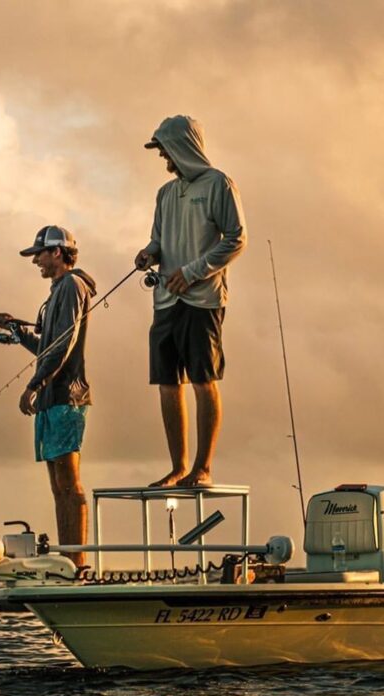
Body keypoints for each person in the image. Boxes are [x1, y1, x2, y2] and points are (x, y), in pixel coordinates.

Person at [134, 115, 247, 488]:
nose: (165, 160)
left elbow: (236, 238)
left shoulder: (219, 184)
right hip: (165, 300)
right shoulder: (166, 193)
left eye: (166, 151)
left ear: (183, 147)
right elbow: (158, 239)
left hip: (203, 299)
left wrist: (195, 270)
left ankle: (204, 468)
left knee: (203, 378)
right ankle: (178, 467)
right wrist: (149, 254)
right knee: (167, 382)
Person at [0, 225, 97, 567]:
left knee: (69, 483)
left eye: (38, 254)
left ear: (57, 252)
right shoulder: (56, 291)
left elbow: (64, 345)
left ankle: (78, 564)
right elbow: (46, 347)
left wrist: (34, 384)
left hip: (67, 398)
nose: (35, 260)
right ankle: (70, 561)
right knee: (58, 486)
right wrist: (16, 330)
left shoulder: (71, 285)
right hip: (52, 398)